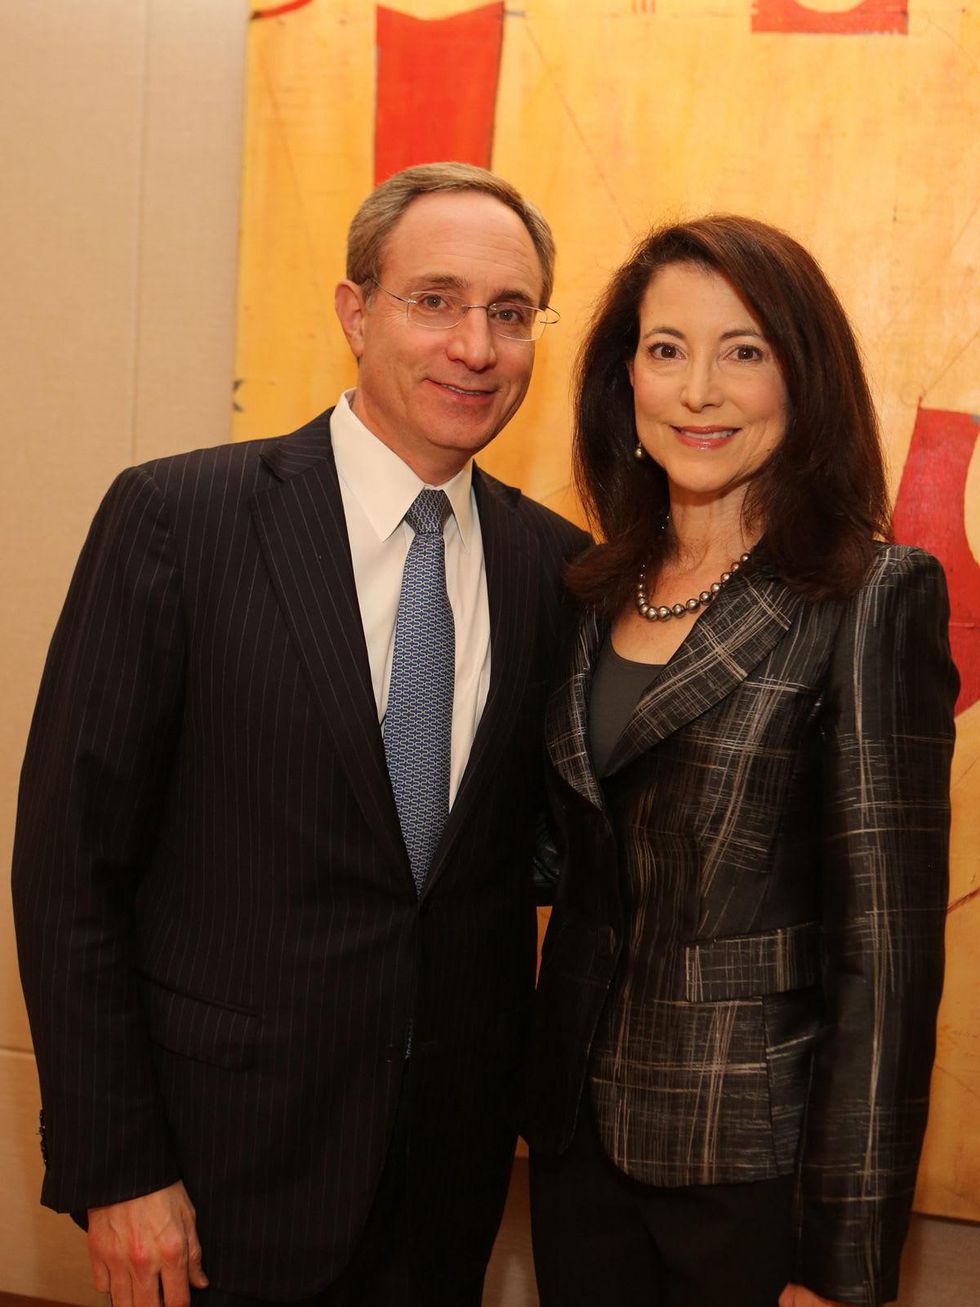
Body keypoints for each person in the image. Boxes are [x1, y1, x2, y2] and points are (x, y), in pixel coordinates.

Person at [12, 161, 588, 1307]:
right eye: (434, 299)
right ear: (354, 310)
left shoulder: (554, 569)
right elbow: (69, 869)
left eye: (509, 313)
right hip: (217, 1173)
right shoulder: (178, 520)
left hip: (447, 1181)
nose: (474, 345)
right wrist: (119, 1166)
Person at [523, 215, 958, 1307]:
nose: (698, 390)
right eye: (665, 349)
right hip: (575, 1147)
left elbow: (886, 965)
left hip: (753, 1172)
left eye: (743, 350)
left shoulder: (867, 597)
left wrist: (839, 1263)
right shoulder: (586, 591)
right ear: (624, 379)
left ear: (800, 378)